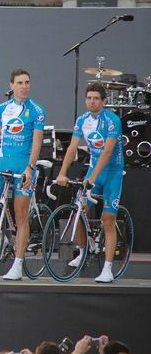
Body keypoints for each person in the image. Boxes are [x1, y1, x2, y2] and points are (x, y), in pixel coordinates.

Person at [0, 69, 46, 281]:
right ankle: (5, 239)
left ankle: (18, 264)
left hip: (23, 168)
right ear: (11, 85)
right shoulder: (2, 109)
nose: (24, 86)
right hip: (3, 166)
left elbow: (37, 142)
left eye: (27, 82)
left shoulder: (37, 110)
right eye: (20, 83)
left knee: (21, 216)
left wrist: (30, 167)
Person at [55, 82, 124, 283]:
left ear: (103, 101)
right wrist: (62, 173)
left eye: (96, 98)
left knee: (108, 220)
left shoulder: (112, 120)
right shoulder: (82, 120)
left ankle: (108, 268)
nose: (92, 101)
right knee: (79, 208)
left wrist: (92, 178)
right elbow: (71, 148)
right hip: (94, 170)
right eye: (89, 98)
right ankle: (83, 251)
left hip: (112, 172)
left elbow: (108, 151)